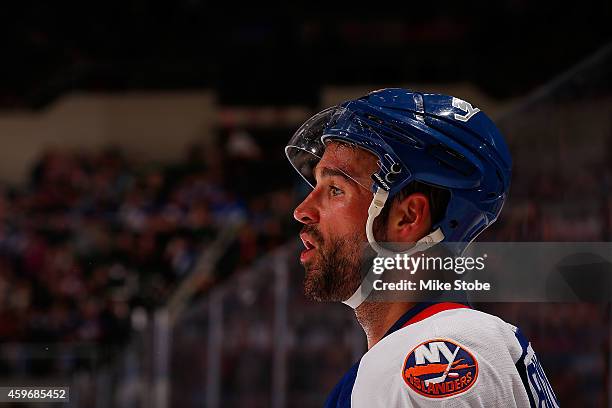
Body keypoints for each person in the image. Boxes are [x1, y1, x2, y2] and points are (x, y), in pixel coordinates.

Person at [285, 88, 559, 407]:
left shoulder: (431, 359)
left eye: (334, 189)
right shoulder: (446, 343)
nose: (302, 209)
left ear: (408, 217)